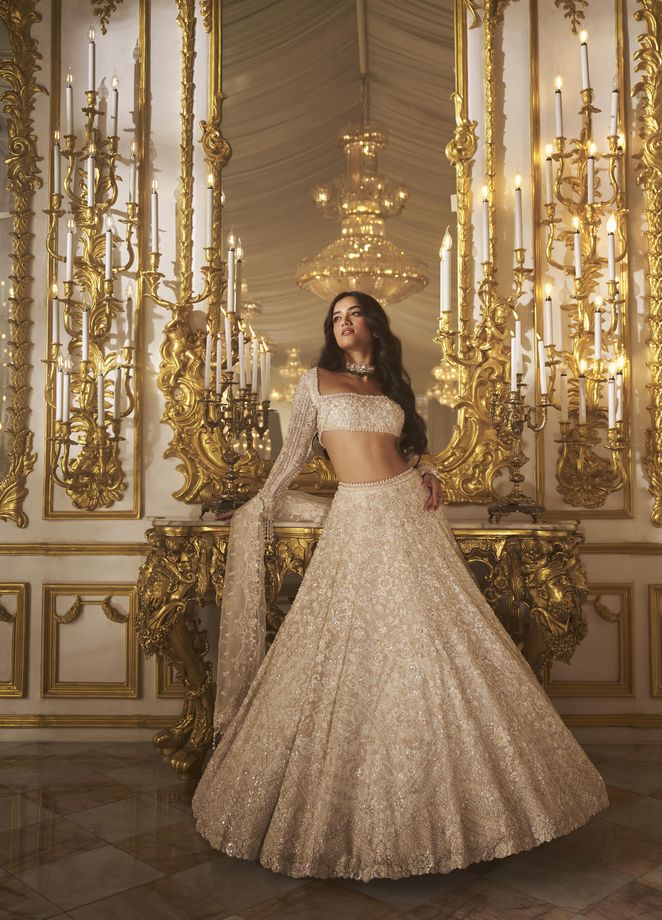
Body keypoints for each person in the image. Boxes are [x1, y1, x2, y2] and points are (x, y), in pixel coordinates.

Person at [191, 290, 609, 882]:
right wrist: (260, 503)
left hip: (410, 511)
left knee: (434, 641)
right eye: (334, 317)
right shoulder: (315, 381)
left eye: (352, 314)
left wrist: (429, 472)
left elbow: (408, 450)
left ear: (373, 325)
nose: (342, 324)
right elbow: (294, 455)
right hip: (358, 519)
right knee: (352, 647)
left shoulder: (391, 388)